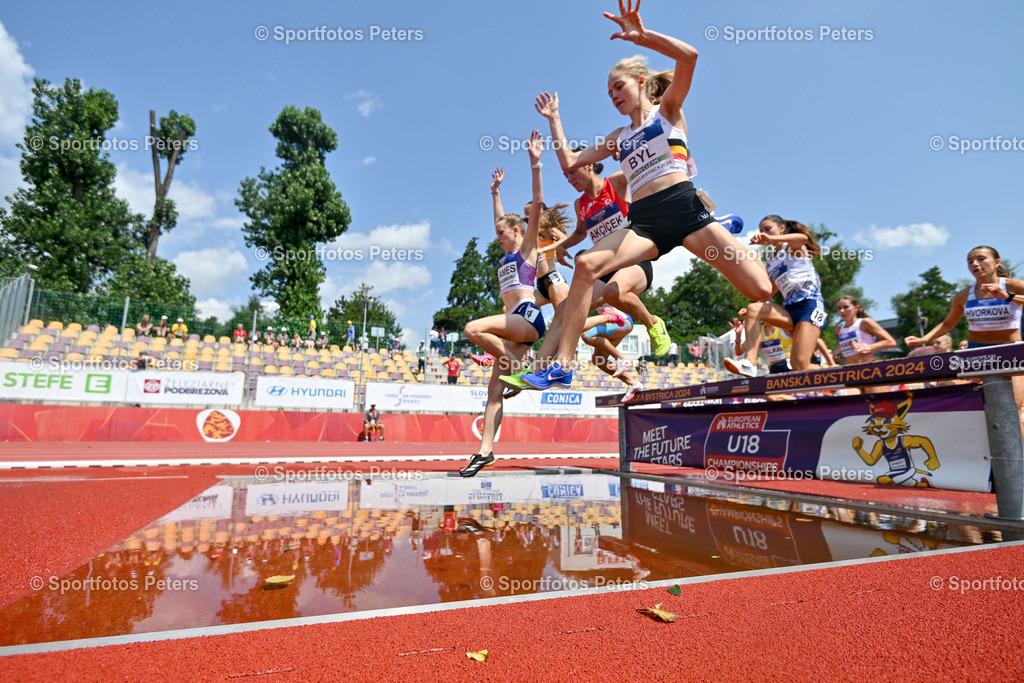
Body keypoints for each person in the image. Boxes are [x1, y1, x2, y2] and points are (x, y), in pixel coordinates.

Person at [518, 2, 772, 391]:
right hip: (647, 221)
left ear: (640, 81)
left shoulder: (667, 112)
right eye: (607, 92)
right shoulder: (618, 138)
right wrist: (554, 119)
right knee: (586, 265)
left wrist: (642, 35)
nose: (612, 96)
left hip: (686, 211)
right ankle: (562, 366)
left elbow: (691, 56)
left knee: (761, 289)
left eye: (618, 87)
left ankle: (721, 225)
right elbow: (570, 160)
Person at [459, 131, 551, 477]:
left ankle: (521, 368)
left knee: (472, 328)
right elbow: (499, 220)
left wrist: (535, 162)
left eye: (502, 233)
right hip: (515, 327)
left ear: (517, 229)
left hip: (527, 317)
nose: (497, 238)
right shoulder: (505, 251)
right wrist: (495, 192)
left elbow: (538, 205)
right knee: (494, 390)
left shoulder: (527, 247)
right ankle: (485, 451)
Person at [905, 245, 1022, 433]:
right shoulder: (963, 295)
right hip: (976, 354)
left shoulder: (1011, 285)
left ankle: (1017, 461)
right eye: (970, 261)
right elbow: (947, 324)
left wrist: (1007, 297)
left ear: (996, 262)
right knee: (975, 410)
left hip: (1010, 352)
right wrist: (923, 339)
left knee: (1011, 410)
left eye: (981, 259)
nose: (975, 264)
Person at [725, 215, 827, 377]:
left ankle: (836, 372)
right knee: (754, 308)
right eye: (761, 231)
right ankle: (750, 364)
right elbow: (770, 290)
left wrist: (772, 239)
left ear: (781, 229)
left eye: (768, 229)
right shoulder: (772, 261)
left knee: (799, 365)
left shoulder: (793, 248)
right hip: (789, 310)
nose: (764, 233)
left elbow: (803, 238)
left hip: (809, 306)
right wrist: (754, 308)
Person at [582, 305, 645, 402]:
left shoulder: (596, 293)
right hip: (614, 326)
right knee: (599, 361)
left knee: (586, 335)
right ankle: (633, 383)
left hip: (623, 322)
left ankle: (621, 357)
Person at [834, 295, 896, 365]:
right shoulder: (839, 329)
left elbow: (891, 342)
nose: (842, 311)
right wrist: (835, 354)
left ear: (856, 308)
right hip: (850, 371)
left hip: (868, 369)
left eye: (846, 307)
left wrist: (866, 347)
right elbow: (845, 343)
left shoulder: (865, 323)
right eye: (839, 308)